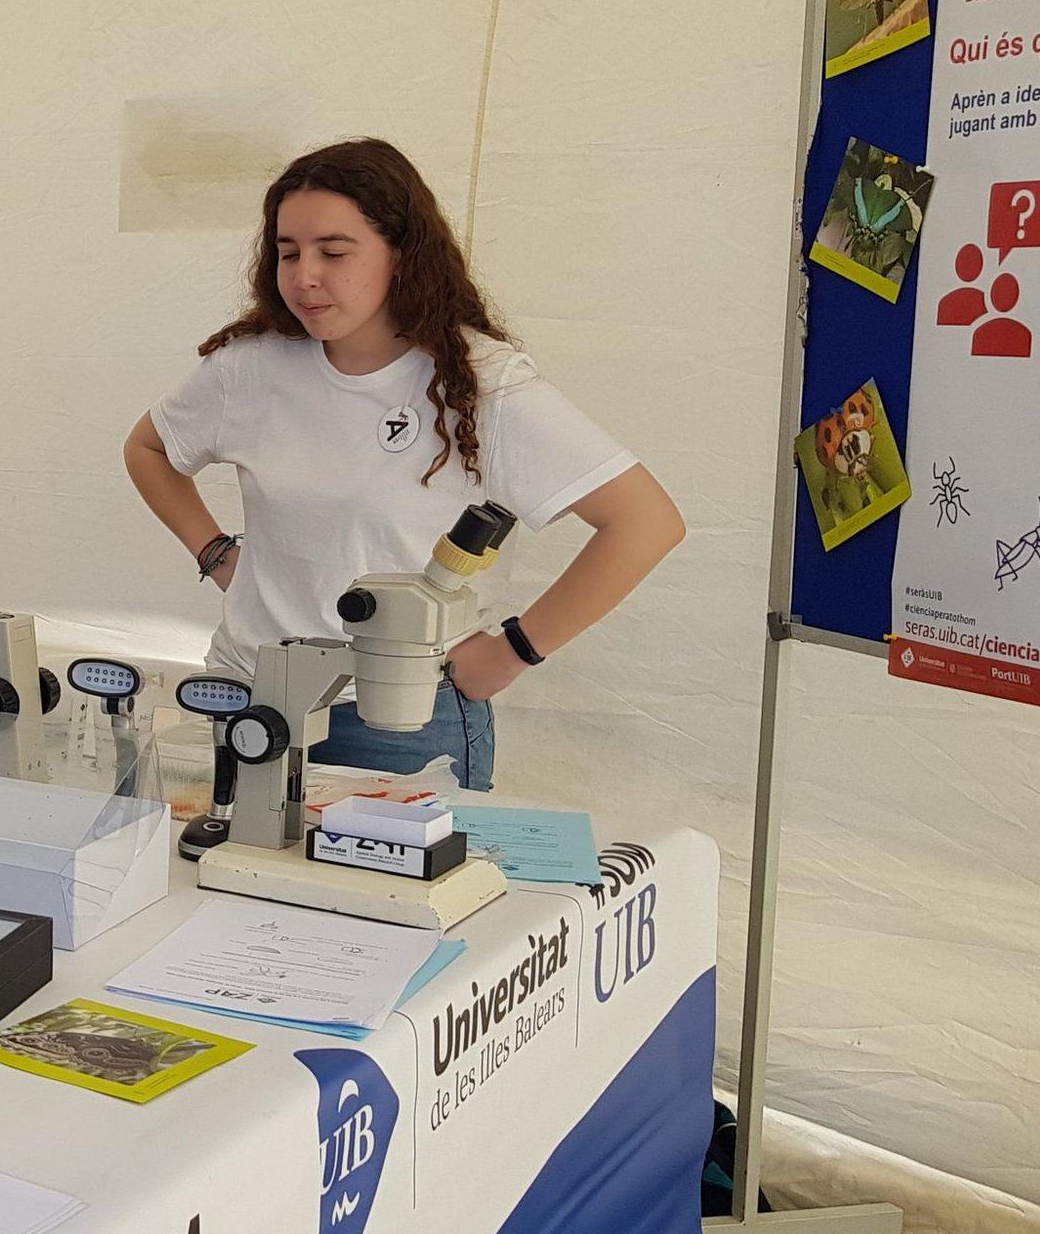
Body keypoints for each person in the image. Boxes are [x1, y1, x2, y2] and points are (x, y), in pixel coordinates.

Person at [124, 138, 684, 791]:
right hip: (248, 698)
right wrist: (218, 554)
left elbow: (645, 521)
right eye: (288, 252)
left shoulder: (478, 382)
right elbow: (150, 449)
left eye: (333, 252)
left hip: (399, 724)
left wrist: (512, 652)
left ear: (401, 253)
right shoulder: (249, 368)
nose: (305, 275)